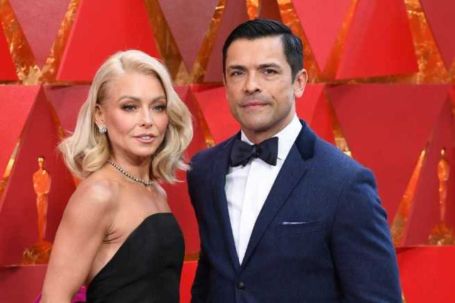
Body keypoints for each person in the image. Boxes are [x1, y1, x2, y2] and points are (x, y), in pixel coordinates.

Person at [187, 19, 402, 302]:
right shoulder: (204, 170)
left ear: (299, 82)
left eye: (268, 71)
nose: (251, 85)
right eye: (238, 73)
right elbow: (210, 280)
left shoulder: (345, 182)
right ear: (226, 84)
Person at [40, 50, 193, 302]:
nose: (147, 120)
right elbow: (54, 299)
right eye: (129, 107)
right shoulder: (99, 194)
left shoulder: (155, 190)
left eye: (158, 107)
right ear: (100, 115)